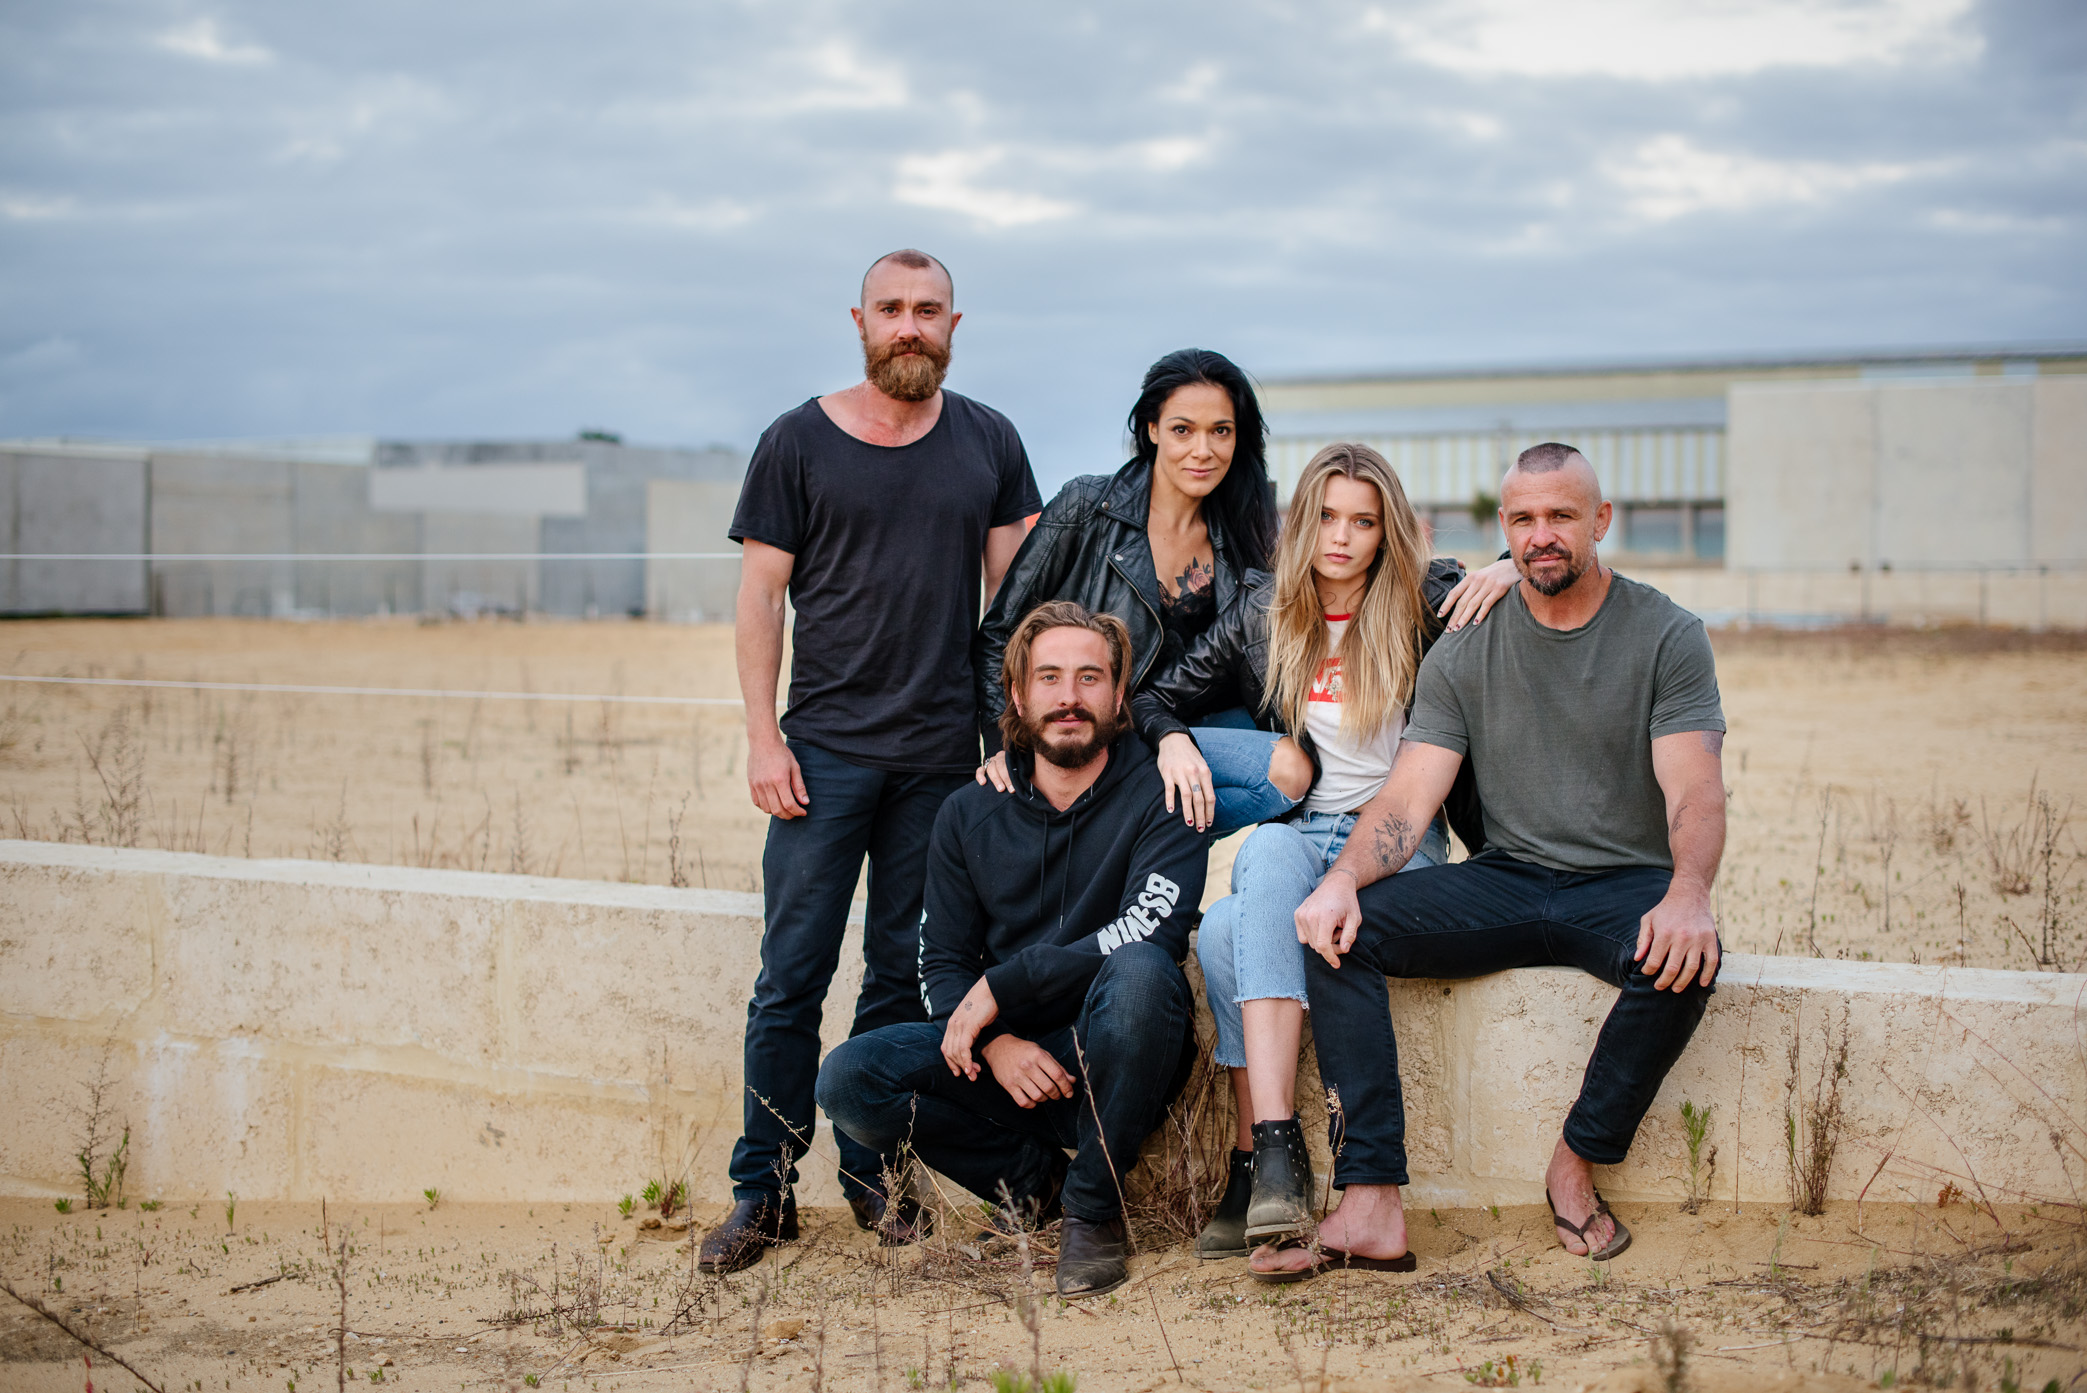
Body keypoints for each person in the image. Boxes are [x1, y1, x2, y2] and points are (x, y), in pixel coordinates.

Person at [1264, 441, 1727, 1280]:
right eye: (1523, 518)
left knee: (1684, 958)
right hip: (1506, 876)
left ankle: (1575, 1160)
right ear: (1503, 529)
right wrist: (1340, 880)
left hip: (1622, 883)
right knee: (1339, 934)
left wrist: (1688, 891)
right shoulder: (1464, 645)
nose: (1541, 534)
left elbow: (1694, 789)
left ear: (1600, 520)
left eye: (1560, 515)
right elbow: (1407, 799)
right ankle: (1370, 1198)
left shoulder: (1666, 633)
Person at [702, 250, 1041, 1275]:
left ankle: (874, 1175)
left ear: (953, 325)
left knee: (899, 978)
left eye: (926, 310)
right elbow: (760, 597)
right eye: (889, 308)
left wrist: (1009, 747)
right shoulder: (796, 441)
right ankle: (762, 1190)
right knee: (790, 980)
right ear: (858, 320)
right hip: (821, 756)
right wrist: (763, 737)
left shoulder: (988, 441)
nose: (908, 325)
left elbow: (1018, 611)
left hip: (940, 765)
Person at [1126, 443, 1513, 1270]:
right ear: (1301, 521)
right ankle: (1276, 1153)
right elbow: (1154, 695)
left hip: (1394, 844)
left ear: (1385, 531)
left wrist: (1510, 565)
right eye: (1327, 517)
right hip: (1301, 835)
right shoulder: (1261, 610)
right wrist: (1173, 743)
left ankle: (1259, 1166)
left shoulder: (1423, 601)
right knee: (1259, 858)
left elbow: (1540, 569)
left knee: (1225, 932)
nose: (1341, 537)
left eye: (1362, 521)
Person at [817, 601, 1209, 1298]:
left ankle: (1093, 1208)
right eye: (1049, 677)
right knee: (849, 1079)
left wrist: (1006, 984)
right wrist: (995, 1042)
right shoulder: (968, 812)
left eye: (1089, 677)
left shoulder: (1163, 792)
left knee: (1143, 971)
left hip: (1119, 1051)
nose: (1069, 697)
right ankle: (1032, 1182)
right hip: (1007, 1070)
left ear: (1119, 694)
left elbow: (1150, 928)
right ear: (1019, 696)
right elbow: (940, 961)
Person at [976, 349, 1510, 835]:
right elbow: (999, 632)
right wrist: (1006, 744)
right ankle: (1116, 837)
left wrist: (1507, 569)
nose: (1203, 450)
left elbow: (1363, 580)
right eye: (1183, 430)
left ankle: (1137, 842)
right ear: (1152, 428)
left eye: (1221, 431)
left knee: (1288, 761)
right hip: (1086, 718)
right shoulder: (1087, 507)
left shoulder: (1246, 534)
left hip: (1180, 722)